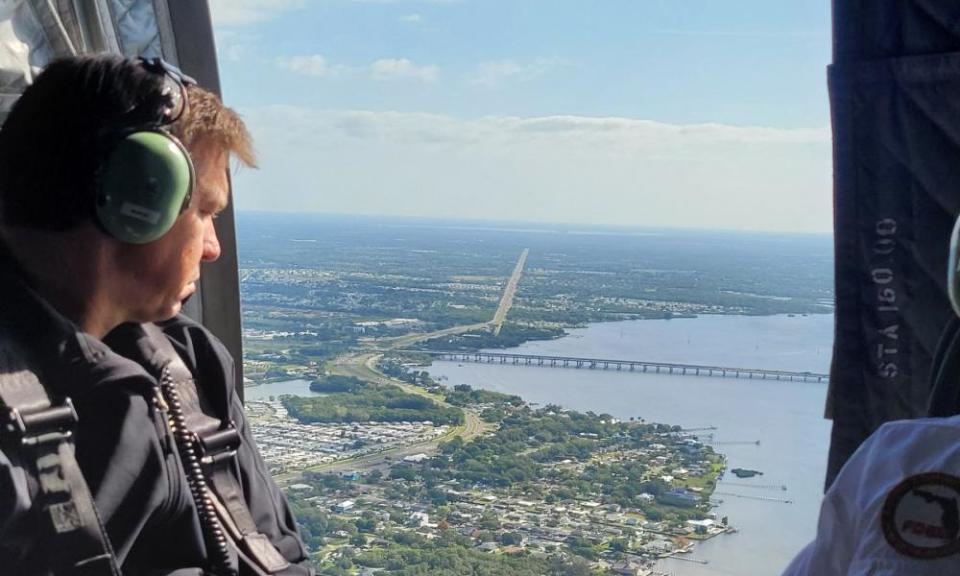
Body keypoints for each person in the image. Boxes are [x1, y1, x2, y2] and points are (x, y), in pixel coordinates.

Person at [0, 54, 311, 575]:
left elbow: (279, 552)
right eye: (206, 212)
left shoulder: (189, 362)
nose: (212, 248)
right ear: (137, 199)